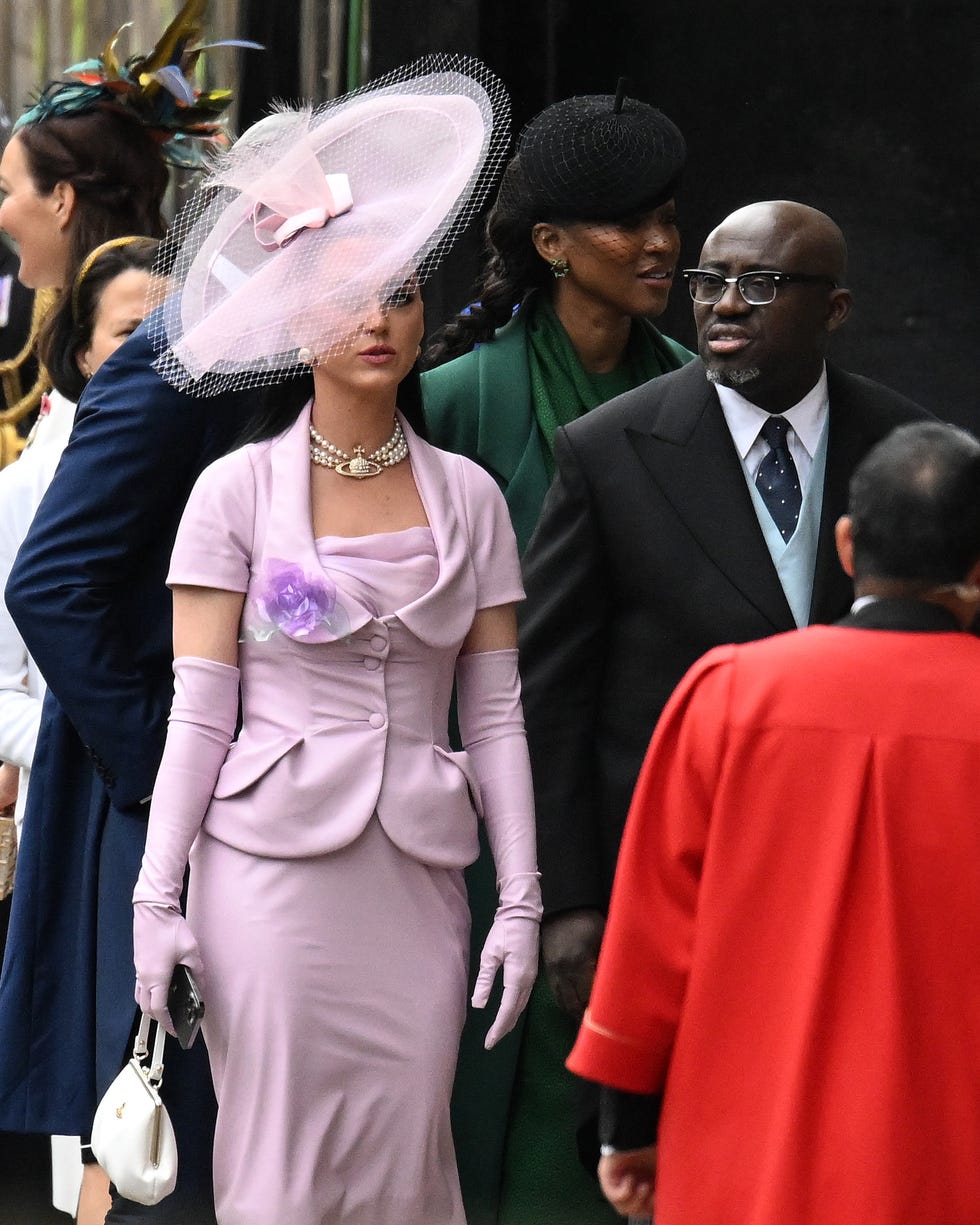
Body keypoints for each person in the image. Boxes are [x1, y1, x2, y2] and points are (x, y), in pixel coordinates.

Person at [125, 57, 537, 1225]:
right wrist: (157, 903)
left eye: (401, 294)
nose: (378, 318)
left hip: (415, 874)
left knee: (410, 1152)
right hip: (263, 877)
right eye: (348, 293)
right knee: (278, 1167)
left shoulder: (469, 498)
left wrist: (518, 896)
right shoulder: (233, 493)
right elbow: (201, 712)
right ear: (291, 314)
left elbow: (495, 710)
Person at [518, 199, 933, 1214]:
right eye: (709, 282)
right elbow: (552, 692)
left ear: (831, 308)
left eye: (759, 284)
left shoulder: (907, 449)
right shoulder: (606, 451)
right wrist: (570, 898)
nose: (723, 305)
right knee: (696, 1154)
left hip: (857, 885)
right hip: (676, 881)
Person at [567, 419, 980, 1225]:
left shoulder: (730, 695)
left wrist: (628, 1130)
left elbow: (652, 941)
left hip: (749, 1157)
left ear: (849, 546)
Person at [422, 88, 691, 1225]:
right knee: (501, 1057)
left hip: (653, 786)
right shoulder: (455, 399)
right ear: (549, 245)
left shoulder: (698, 388)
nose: (661, 243)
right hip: (491, 794)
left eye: (668, 217)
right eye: (625, 222)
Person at [0, 8, 249, 1222]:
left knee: (144, 1102)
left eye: (7, 183)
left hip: (137, 743)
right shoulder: (142, 344)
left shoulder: (176, 333)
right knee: (133, 1096)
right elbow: (44, 574)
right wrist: (152, 754)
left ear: (60, 198)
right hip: (127, 751)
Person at [0, 236, 159, 1225]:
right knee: (117, 1081)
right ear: (87, 354)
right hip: (92, 791)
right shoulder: (28, 488)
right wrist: (134, 744)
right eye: (134, 334)